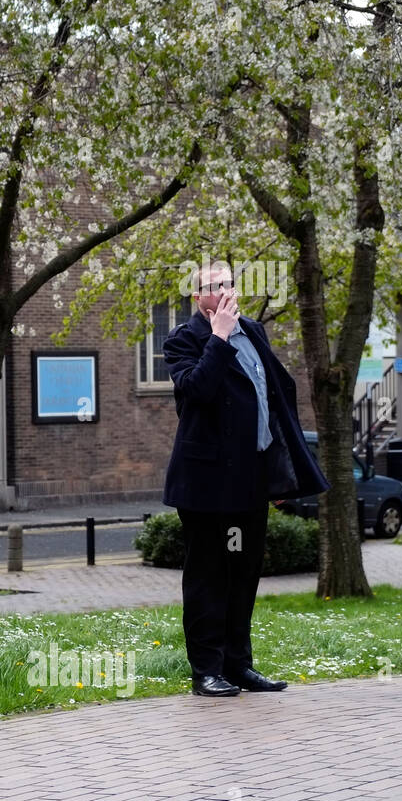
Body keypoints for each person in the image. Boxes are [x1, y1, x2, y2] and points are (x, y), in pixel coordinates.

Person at [163, 263, 328, 697]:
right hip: (207, 486)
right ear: (197, 296)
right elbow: (196, 392)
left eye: (229, 283)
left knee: (243, 574)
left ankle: (238, 666)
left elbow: (275, 390)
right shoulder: (184, 339)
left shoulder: (254, 330)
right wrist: (217, 337)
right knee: (208, 576)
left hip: (250, 482)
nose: (225, 291)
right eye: (213, 286)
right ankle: (206, 672)